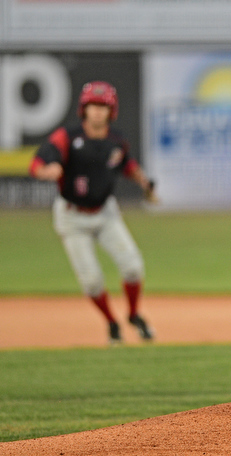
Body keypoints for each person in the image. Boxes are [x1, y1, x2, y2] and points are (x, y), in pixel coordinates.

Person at [29, 80, 157, 345]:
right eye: (93, 106)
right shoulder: (67, 137)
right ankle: (111, 322)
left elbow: (127, 165)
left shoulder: (116, 142)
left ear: (112, 111)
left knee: (133, 267)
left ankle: (133, 315)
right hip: (72, 216)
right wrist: (46, 171)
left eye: (103, 106)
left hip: (105, 212)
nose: (97, 111)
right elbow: (38, 162)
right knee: (91, 282)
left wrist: (145, 184)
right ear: (83, 109)